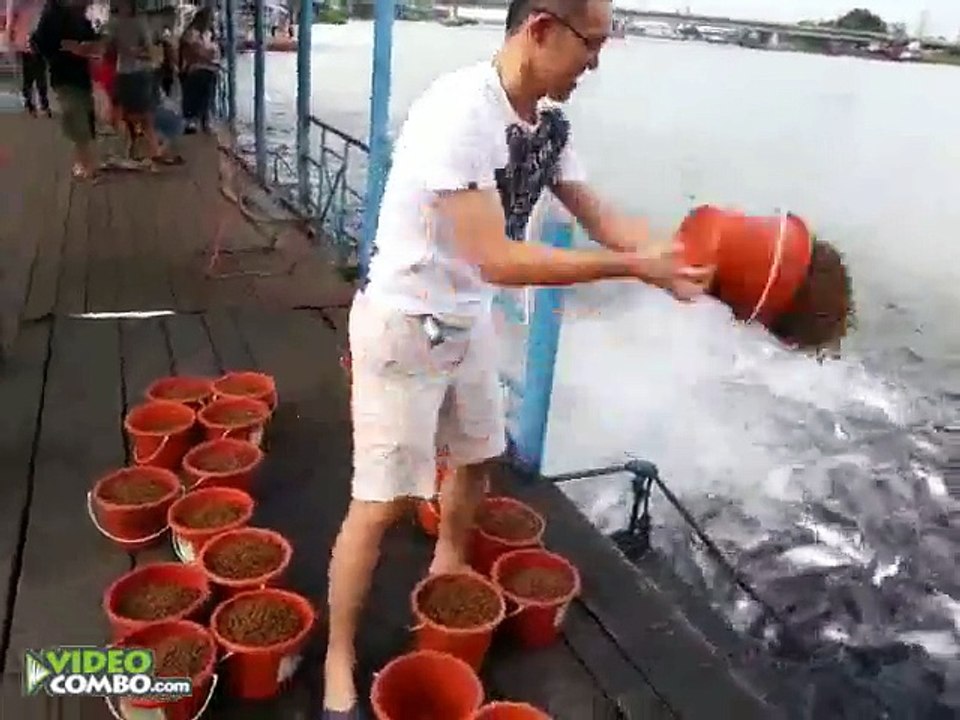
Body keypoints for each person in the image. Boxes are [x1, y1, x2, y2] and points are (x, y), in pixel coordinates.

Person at [319, 0, 709, 715]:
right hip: (405, 322)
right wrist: (632, 269)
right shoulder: (459, 113)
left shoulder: (549, 123)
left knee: (477, 459)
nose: (596, 61)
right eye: (591, 43)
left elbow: (599, 216)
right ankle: (337, 661)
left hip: (467, 319)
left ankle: (447, 564)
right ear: (541, 30)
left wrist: (675, 257)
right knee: (380, 504)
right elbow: (496, 258)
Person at [31, 0, 102, 179]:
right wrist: (63, 50)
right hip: (64, 74)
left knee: (83, 116)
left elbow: (93, 41)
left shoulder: (80, 16)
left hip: (81, 75)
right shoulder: (53, 13)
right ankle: (88, 164)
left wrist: (86, 48)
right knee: (76, 115)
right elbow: (39, 42)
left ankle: (81, 162)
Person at [105, 0, 162, 164]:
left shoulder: (137, 23)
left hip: (139, 72)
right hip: (126, 72)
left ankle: (151, 149)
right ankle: (140, 149)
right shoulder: (115, 24)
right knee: (128, 113)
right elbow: (109, 50)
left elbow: (150, 50)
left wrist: (135, 52)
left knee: (143, 114)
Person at [178, 7, 219, 134]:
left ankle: (202, 118)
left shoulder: (207, 34)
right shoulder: (192, 34)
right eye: (212, 19)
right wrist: (207, 54)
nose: (213, 22)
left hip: (205, 68)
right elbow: (195, 52)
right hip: (193, 69)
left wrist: (207, 54)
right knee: (200, 88)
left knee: (207, 89)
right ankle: (197, 119)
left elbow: (211, 52)